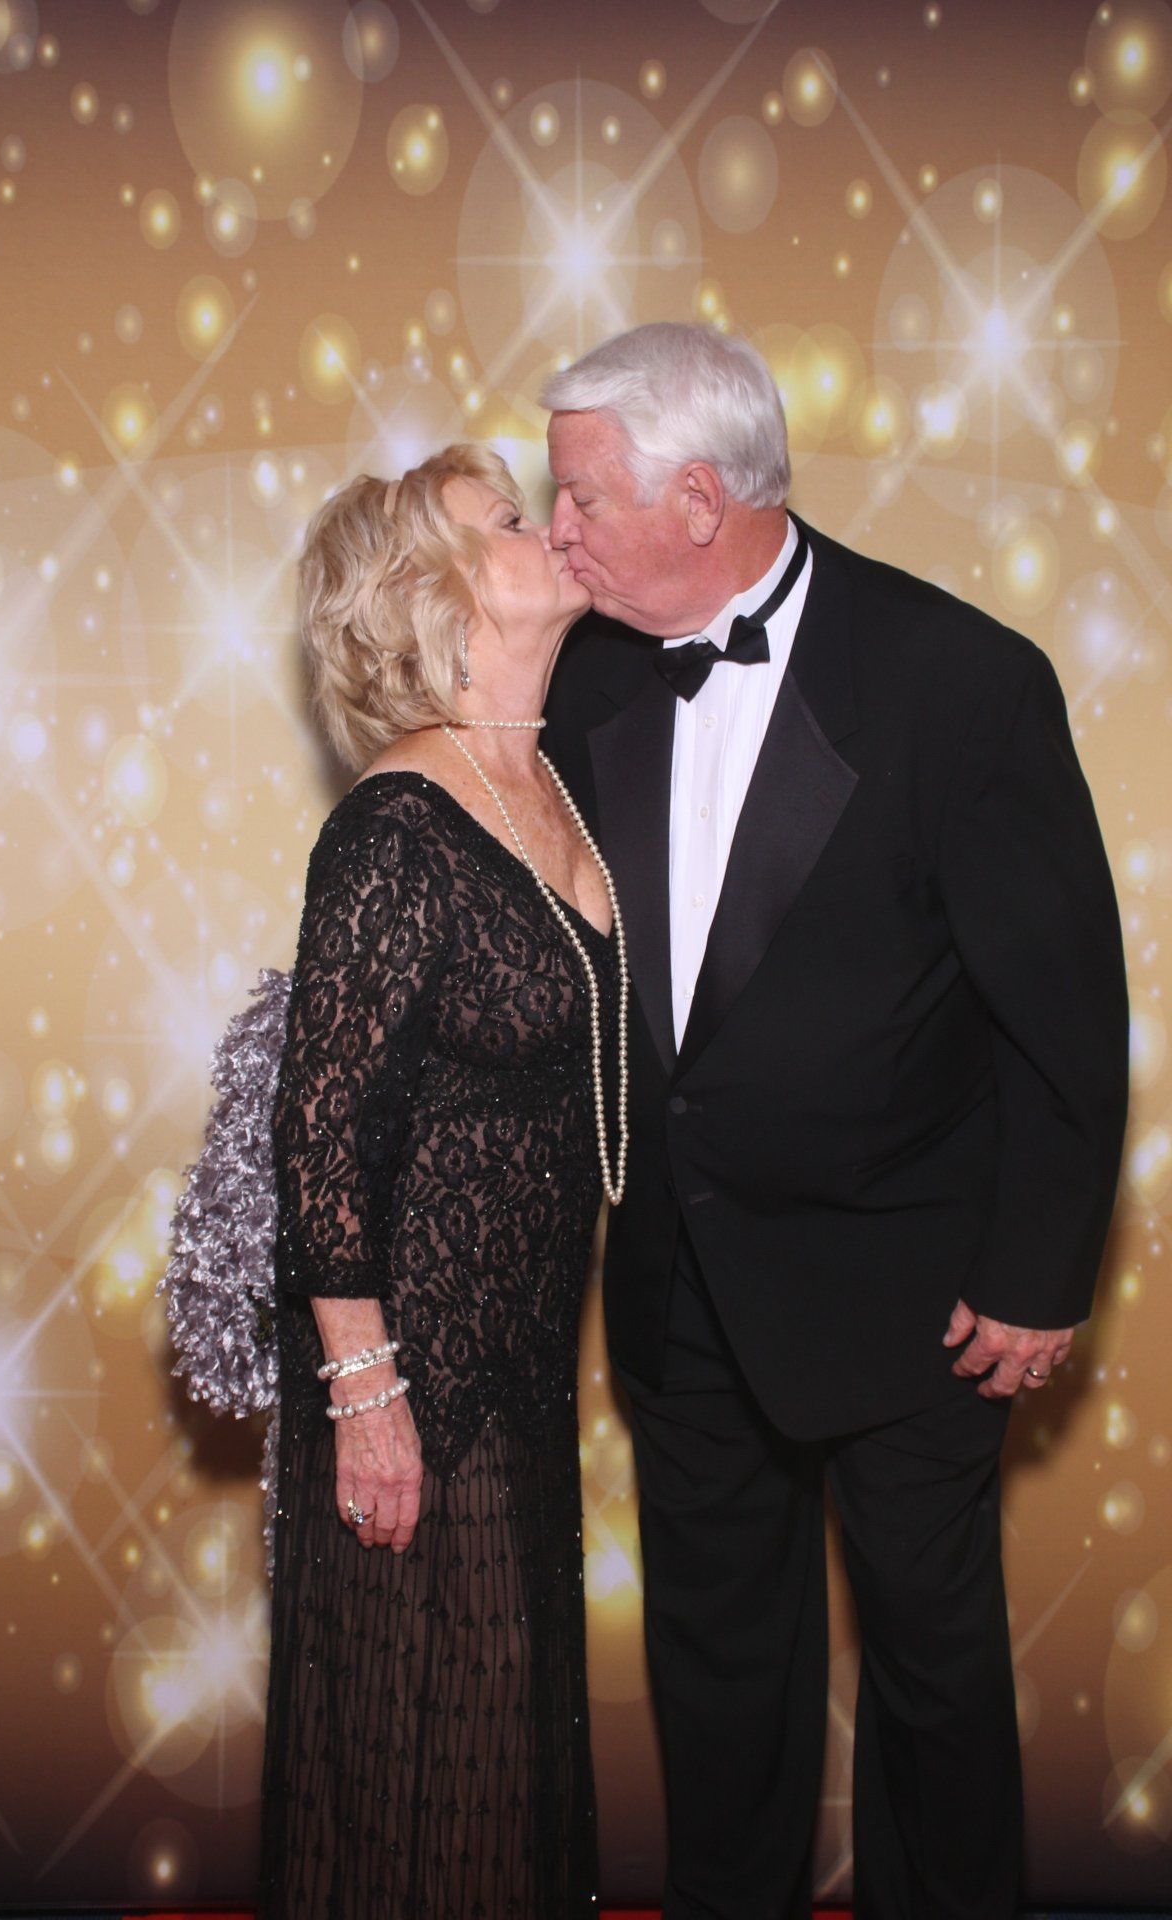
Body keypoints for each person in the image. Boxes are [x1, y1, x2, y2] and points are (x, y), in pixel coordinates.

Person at [540, 323, 1129, 1920]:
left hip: (916, 1294)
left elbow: (1066, 1012)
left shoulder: (960, 682)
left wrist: (1036, 1275)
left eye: (583, 496)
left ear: (700, 499)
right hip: (680, 1284)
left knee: (934, 1678)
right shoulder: (582, 674)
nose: (558, 529)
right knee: (719, 1689)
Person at [259, 443, 622, 1918]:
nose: (550, 528)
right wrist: (366, 1399)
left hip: (524, 1371)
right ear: (435, 590)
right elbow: (319, 1131)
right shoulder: (395, 825)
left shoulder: (555, 785)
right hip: (417, 1392)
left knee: (504, 1770)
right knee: (417, 1774)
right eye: (510, 519)